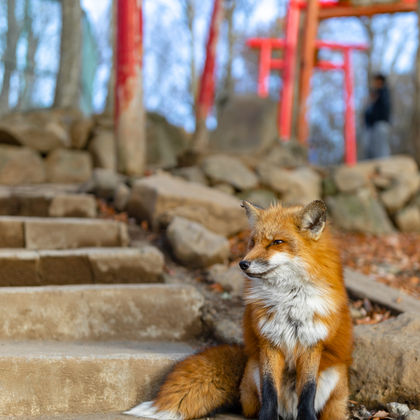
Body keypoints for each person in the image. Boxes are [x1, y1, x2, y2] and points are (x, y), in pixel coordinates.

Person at [363, 73, 391, 159]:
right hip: (372, 126)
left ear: (381, 82)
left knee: (381, 148)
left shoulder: (383, 93)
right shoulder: (375, 95)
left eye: (376, 81)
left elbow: (383, 108)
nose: (374, 83)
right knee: (372, 148)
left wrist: (376, 94)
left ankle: (384, 166)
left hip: (381, 124)